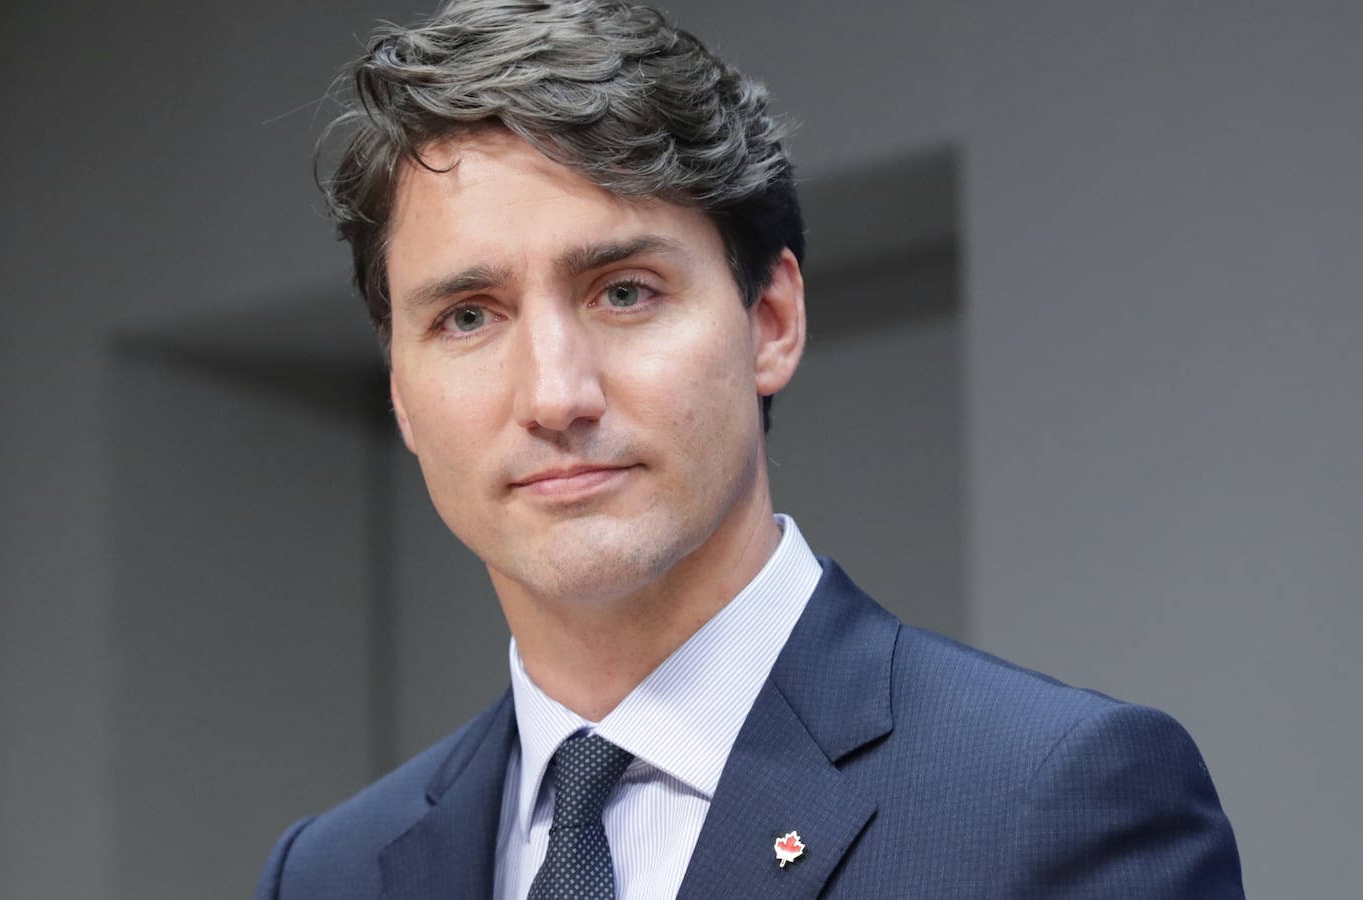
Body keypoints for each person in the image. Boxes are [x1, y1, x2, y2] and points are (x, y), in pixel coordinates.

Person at [256, 1, 1244, 897]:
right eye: (468, 317)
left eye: (624, 291)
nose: (556, 395)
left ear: (769, 321)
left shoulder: (1051, 802)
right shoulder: (331, 873)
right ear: (403, 394)